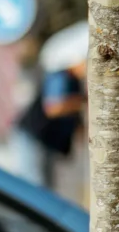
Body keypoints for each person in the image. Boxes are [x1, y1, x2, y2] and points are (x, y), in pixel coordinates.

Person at [13, 58, 86, 192]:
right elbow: (52, 108)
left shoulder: (75, 83)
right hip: (33, 136)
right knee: (34, 182)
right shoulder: (60, 76)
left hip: (46, 139)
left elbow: (75, 118)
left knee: (46, 184)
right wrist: (80, 102)